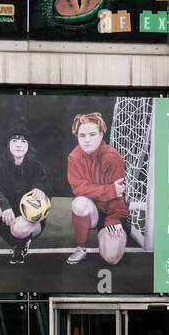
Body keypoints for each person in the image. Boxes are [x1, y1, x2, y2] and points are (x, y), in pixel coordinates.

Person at [65, 112, 129, 266]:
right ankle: (81, 247)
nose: (87, 140)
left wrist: (114, 218)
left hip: (112, 209)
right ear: (77, 136)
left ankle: (121, 232)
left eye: (92, 134)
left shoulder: (112, 158)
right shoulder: (74, 157)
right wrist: (109, 190)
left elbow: (117, 195)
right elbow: (78, 189)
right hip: (91, 209)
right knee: (79, 203)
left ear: (101, 135)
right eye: (82, 135)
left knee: (111, 258)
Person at [0, 123, 55, 265]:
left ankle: (22, 242)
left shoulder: (36, 166)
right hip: (10, 211)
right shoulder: (0, 164)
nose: (19, 145)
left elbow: (48, 188)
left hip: (30, 218)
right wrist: (4, 205)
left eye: (23, 141)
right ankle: (16, 244)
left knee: (18, 229)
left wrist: (40, 188)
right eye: (15, 140)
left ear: (28, 145)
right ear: (8, 144)